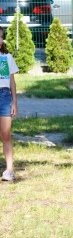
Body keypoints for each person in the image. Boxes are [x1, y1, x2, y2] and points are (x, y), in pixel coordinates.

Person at [0, 29, 19, 182]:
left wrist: (14, 102)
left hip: (5, 97)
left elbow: (12, 81)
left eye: (1, 37)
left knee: (6, 134)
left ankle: (9, 170)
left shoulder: (6, 58)